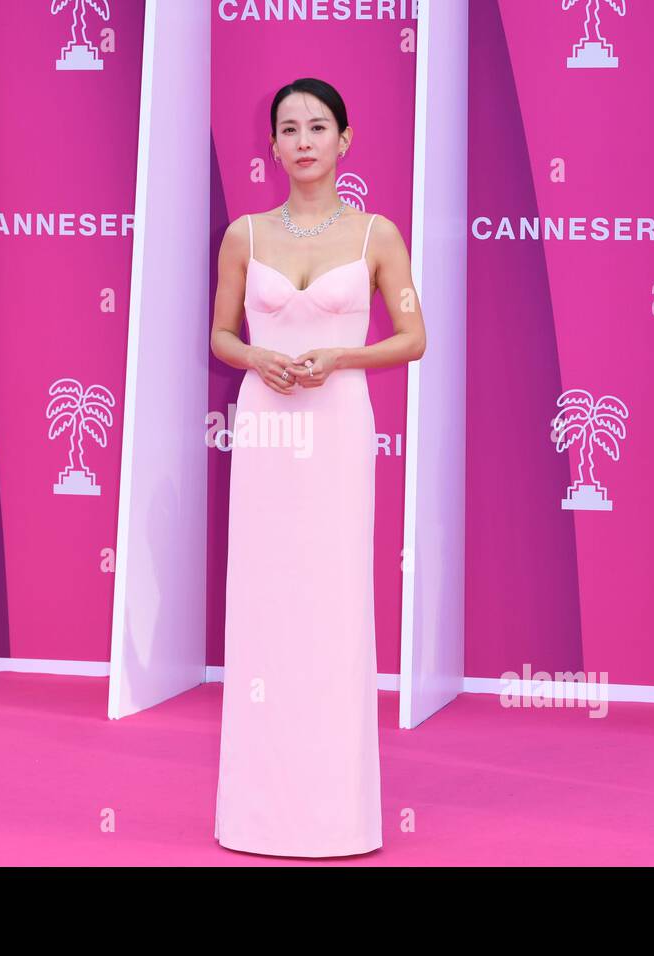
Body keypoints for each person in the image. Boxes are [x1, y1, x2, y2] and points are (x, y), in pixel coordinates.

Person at [209, 77, 426, 857]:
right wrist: (256, 358)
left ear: (345, 139)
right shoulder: (245, 235)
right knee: (266, 604)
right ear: (272, 144)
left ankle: (337, 816)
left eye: (318, 126)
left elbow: (414, 335)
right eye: (289, 128)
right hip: (266, 430)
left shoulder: (378, 237)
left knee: (334, 605)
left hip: (336, 427)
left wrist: (342, 357)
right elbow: (221, 337)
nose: (303, 140)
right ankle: (257, 814)